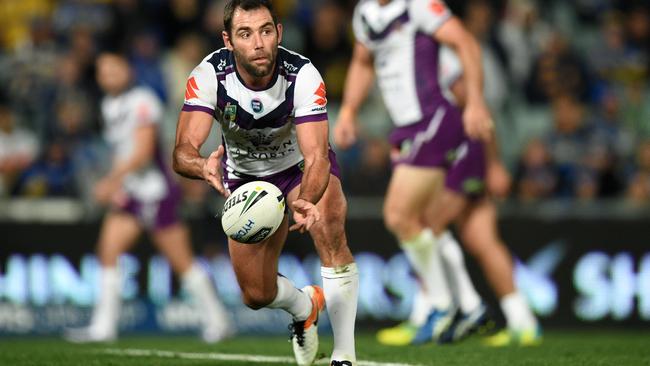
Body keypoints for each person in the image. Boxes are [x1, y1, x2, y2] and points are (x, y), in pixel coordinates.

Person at [335, 0, 537, 346]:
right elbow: (362, 60)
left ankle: (444, 308)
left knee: (408, 218)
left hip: (447, 133)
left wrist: (492, 160)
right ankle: (490, 312)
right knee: (456, 232)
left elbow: (467, 88)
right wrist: (349, 109)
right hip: (416, 131)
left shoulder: (421, 13)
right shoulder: (367, 14)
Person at [172, 1, 358, 365]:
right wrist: (201, 166)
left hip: (299, 168)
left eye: (266, 31)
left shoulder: (303, 74)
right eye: (245, 33)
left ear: (279, 33)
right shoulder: (209, 74)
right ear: (228, 41)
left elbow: (318, 155)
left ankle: (344, 355)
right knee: (256, 294)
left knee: (330, 224)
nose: (258, 43)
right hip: (244, 178)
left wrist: (306, 199)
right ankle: (304, 307)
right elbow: (182, 151)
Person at [377, 46, 541, 346]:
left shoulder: (440, 56)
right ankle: (522, 320)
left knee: (423, 224)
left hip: (463, 151)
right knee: (482, 240)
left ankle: (441, 310)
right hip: (456, 151)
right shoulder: (409, 52)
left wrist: (493, 163)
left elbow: (474, 107)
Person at [64, 52, 232, 343]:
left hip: (156, 193)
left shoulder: (143, 101)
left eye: (113, 68)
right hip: (131, 193)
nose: (108, 76)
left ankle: (218, 320)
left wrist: (110, 181)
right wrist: (119, 186)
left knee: (182, 262)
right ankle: (103, 327)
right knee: (107, 251)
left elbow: (143, 152)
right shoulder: (109, 105)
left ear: (127, 69)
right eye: (103, 72)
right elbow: (122, 153)